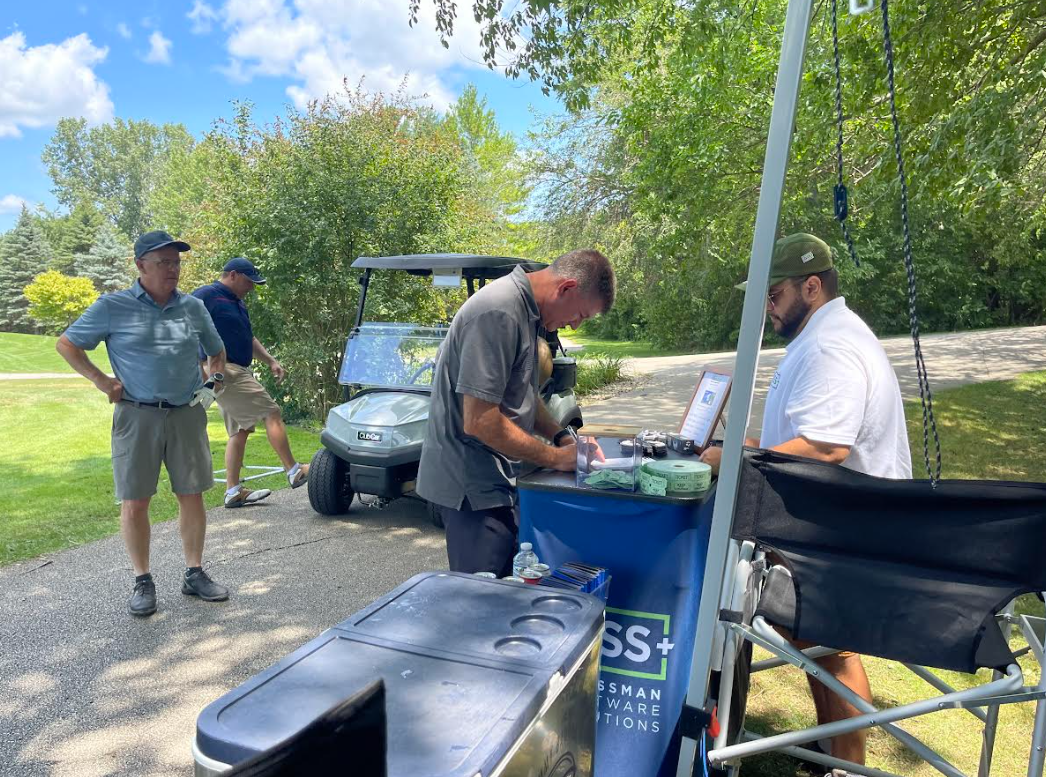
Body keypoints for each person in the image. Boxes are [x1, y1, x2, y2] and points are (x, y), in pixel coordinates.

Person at [701, 232, 912, 766]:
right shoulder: (827, 334)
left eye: (773, 296)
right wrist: (747, 446)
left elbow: (824, 445)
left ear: (811, 286)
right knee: (816, 644)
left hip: (842, 533)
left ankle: (847, 762)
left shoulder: (829, 345)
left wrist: (735, 460)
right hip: (830, 525)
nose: (768, 309)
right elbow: (806, 437)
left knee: (833, 648)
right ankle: (830, 749)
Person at [56, 230, 231, 617]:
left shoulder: (193, 308)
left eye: (176, 262)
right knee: (135, 501)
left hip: (187, 413)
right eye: (164, 262)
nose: (173, 269)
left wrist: (213, 385)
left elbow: (217, 352)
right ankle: (142, 580)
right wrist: (102, 380)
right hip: (136, 414)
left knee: (192, 494)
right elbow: (67, 344)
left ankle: (194, 573)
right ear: (140, 266)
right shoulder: (111, 307)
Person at [417, 250, 616, 577]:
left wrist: (562, 435)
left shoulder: (526, 313)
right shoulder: (499, 312)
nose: (575, 325)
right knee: (482, 600)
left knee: (508, 592)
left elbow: (523, 392)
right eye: (580, 314)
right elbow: (480, 420)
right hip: (472, 486)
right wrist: (555, 458)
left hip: (498, 480)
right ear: (565, 288)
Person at [192, 258, 309, 508]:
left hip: (233, 370)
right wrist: (200, 371)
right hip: (224, 370)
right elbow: (184, 328)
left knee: (240, 430)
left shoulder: (238, 303)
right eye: (249, 281)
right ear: (233, 275)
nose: (252, 287)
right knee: (271, 412)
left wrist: (271, 361)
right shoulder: (207, 295)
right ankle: (294, 470)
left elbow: (248, 337)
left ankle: (233, 491)